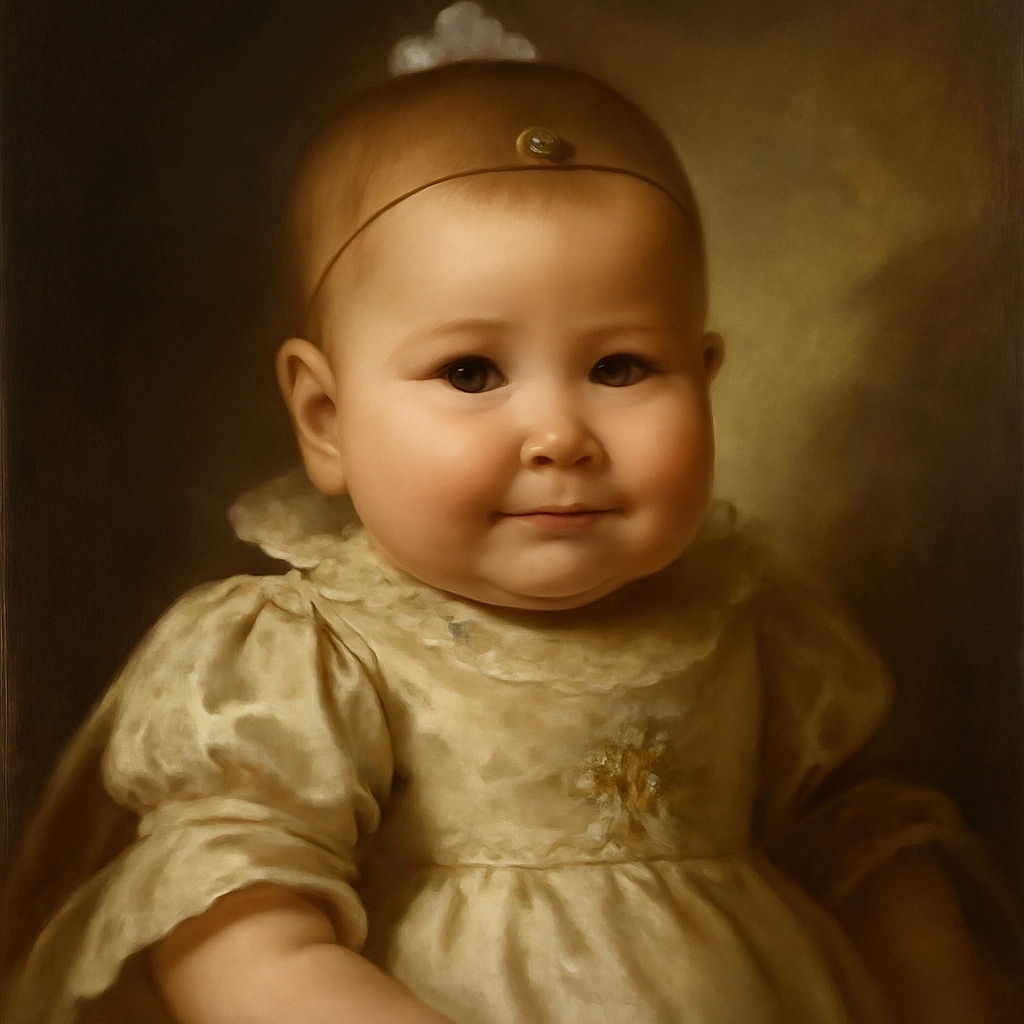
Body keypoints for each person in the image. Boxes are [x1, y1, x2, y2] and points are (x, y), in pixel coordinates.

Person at [1, 39, 1019, 1024]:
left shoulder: (759, 626)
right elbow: (228, 939)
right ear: (326, 417)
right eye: (472, 372)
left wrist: (942, 989)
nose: (561, 436)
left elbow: (869, 853)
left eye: (620, 367)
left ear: (704, 379)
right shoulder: (309, 655)